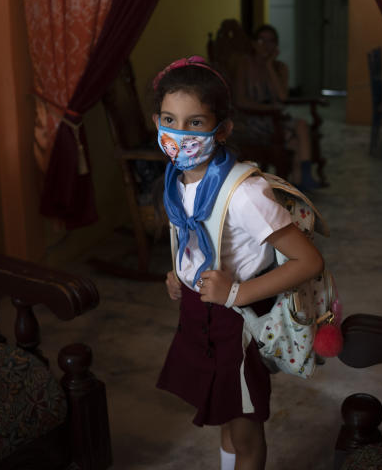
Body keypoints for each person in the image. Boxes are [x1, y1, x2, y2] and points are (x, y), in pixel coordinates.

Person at [153, 56, 325, 470]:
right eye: (168, 119)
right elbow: (195, 234)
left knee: (245, 427)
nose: (179, 133)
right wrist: (180, 272)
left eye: (195, 123)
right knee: (225, 416)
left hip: (237, 322)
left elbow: (308, 260)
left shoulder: (245, 194)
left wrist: (236, 292)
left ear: (222, 128)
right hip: (200, 312)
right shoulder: (179, 178)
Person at [231, 24, 320, 190]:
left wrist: (270, 66)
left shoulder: (280, 67)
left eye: (271, 41)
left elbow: (282, 97)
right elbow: (241, 100)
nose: (266, 45)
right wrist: (267, 109)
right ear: (254, 43)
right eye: (261, 40)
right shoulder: (245, 64)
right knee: (295, 142)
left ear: (276, 45)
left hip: (276, 119)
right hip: (252, 120)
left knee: (300, 126)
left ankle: (301, 178)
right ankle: (299, 180)